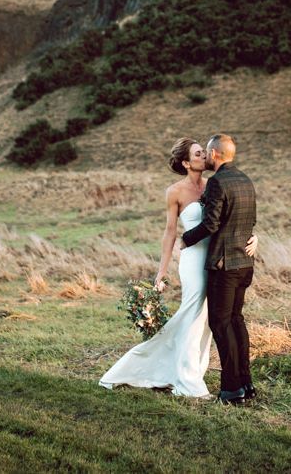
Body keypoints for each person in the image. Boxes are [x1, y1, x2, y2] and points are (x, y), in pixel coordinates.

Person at [99, 137, 257, 397]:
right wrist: (162, 272)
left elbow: (232, 216)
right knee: (193, 314)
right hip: (194, 259)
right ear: (186, 162)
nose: (204, 157)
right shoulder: (175, 191)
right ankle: (185, 378)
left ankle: (193, 370)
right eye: (198, 154)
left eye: (204, 152)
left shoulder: (213, 184)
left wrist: (253, 237)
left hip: (219, 258)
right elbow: (170, 233)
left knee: (209, 320)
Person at [180, 133, 256, 405]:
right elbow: (249, 221)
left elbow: (211, 224)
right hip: (245, 263)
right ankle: (245, 383)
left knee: (221, 324)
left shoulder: (217, 183)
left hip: (223, 266)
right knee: (236, 321)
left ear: (214, 154)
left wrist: (186, 239)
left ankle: (232, 389)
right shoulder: (246, 180)